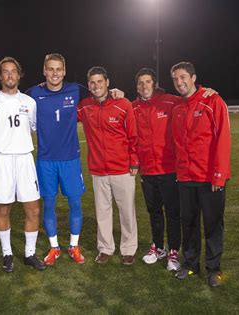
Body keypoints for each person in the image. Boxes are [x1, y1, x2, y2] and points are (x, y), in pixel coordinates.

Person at [0, 53, 124, 266]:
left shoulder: (75, 89)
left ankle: (74, 246)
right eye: (50, 69)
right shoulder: (33, 94)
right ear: (44, 71)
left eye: (59, 69)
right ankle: (54, 247)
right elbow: (16, 105)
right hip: (45, 160)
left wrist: (114, 92)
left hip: (70, 159)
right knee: (47, 204)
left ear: (64, 71)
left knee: (74, 202)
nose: (55, 73)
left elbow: (98, 92)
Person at [0, 57, 45, 273]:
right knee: (3, 209)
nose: (10, 75)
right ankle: (7, 253)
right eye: (5, 72)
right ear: (0, 76)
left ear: (19, 75)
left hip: (25, 159)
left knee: (33, 209)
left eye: (13, 71)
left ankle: (29, 253)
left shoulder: (29, 102)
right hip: (2, 160)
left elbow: (34, 127)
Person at [170, 61, 231, 287]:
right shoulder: (177, 108)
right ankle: (191, 264)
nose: (179, 82)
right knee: (189, 223)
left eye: (183, 77)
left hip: (209, 178)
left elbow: (223, 140)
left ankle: (214, 269)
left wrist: (219, 175)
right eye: (175, 79)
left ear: (193, 78)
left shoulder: (212, 101)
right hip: (185, 178)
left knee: (213, 225)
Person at [77, 66, 139, 265]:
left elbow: (133, 136)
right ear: (89, 85)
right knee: (102, 212)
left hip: (122, 168)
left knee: (126, 211)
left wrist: (134, 161)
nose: (96, 86)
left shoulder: (123, 104)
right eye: (93, 83)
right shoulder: (84, 106)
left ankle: (129, 248)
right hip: (98, 169)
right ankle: (105, 248)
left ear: (107, 82)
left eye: (100, 82)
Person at [132, 68, 182, 271]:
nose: (144, 86)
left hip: (169, 169)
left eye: (148, 82)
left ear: (155, 83)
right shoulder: (133, 107)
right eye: (140, 83)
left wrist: (208, 91)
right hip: (147, 171)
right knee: (154, 211)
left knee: (172, 212)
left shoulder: (171, 101)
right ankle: (158, 246)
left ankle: (174, 251)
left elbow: (191, 99)